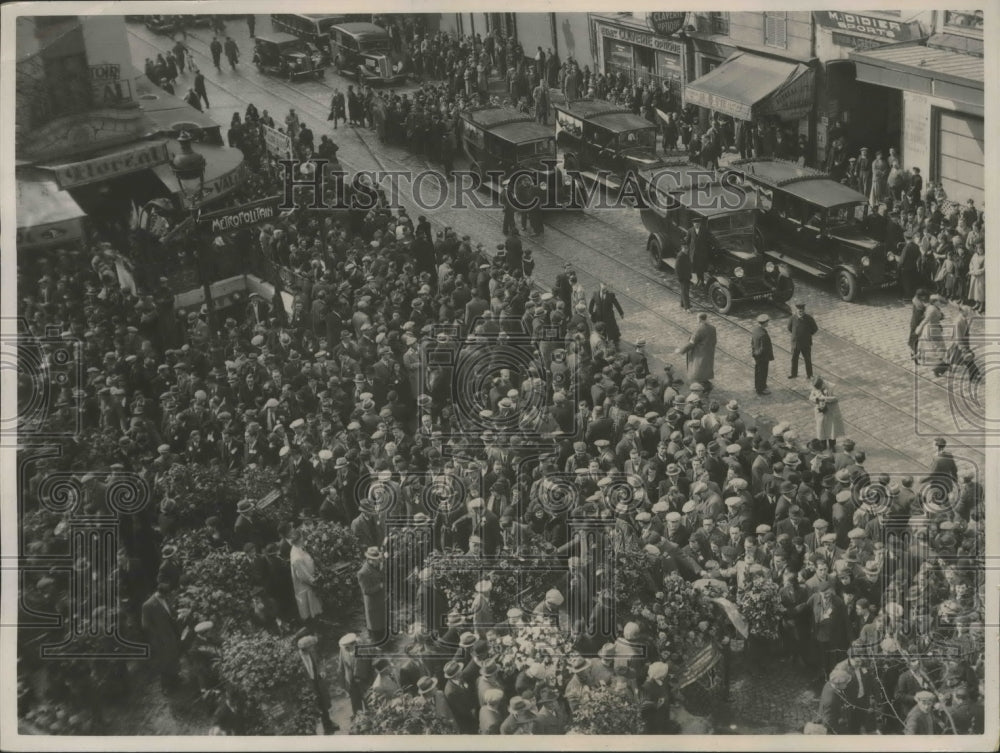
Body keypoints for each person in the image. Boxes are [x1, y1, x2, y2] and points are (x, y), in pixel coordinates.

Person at [140, 582, 183, 691]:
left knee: (173, 656)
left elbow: (170, 612)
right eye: (166, 595)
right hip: (160, 638)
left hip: (171, 633)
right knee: (164, 661)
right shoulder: (148, 605)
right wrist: (158, 636)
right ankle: (166, 686)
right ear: (160, 593)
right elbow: (145, 625)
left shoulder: (166, 598)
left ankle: (175, 679)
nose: (168, 596)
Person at [296, 634, 339, 733]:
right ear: (305, 648)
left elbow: (319, 662)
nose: (313, 648)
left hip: (317, 682)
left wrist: (322, 671)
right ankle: (312, 731)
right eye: (311, 646)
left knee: (323, 704)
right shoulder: (296, 658)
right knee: (312, 708)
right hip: (307, 686)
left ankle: (328, 724)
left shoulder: (312, 652)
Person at [289, 528, 322, 628]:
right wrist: (315, 581)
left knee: (314, 608)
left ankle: (317, 626)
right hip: (305, 587)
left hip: (309, 584)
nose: (304, 539)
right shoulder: (296, 557)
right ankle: (314, 629)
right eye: (302, 537)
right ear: (299, 539)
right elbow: (303, 575)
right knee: (310, 610)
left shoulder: (298, 548)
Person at [677, 312, 716, 391]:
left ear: (699, 319)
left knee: (698, 369)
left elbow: (692, 343)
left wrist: (681, 350)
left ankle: (702, 386)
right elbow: (714, 341)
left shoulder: (698, 330)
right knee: (705, 368)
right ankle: (706, 382)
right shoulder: (712, 328)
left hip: (699, 353)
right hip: (709, 352)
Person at [357, 546, 388, 641]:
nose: (378, 561)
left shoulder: (376, 566)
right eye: (376, 560)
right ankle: (376, 641)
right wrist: (379, 586)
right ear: (369, 560)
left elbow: (381, 575)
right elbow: (366, 591)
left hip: (380, 598)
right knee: (375, 622)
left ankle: (383, 637)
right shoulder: (363, 573)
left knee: (381, 619)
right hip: (373, 602)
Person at [809, 376, 844, 451]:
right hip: (820, 411)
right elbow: (811, 397)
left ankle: (832, 446)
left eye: (820, 387)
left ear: (823, 383)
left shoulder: (832, 386)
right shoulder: (815, 387)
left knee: (831, 429)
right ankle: (823, 445)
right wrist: (816, 398)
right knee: (821, 428)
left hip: (831, 411)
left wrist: (825, 398)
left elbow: (836, 397)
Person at [588, 282, 625, 348]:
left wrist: (621, 313)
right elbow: (591, 303)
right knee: (601, 328)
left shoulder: (611, 295)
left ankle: (615, 339)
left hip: (609, 316)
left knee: (612, 328)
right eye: (603, 289)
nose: (604, 291)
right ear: (600, 287)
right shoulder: (595, 294)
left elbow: (616, 304)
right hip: (599, 316)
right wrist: (591, 312)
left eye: (605, 289)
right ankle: (603, 340)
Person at [787, 302, 818, 379]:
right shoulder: (792, 318)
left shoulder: (809, 319)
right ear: (796, 310)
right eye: (799, 311)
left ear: (804, 310)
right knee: (794, 359)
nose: (801, 312)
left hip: (806, 344)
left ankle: (809, 375)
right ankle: (794, 374)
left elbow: (815, 329)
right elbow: (789, 328)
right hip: (795, 344)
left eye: (802, 310)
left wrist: (807, 335)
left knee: (807, 359)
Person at [751, 314, 774, 395]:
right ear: (764, 323)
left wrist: (754, 353)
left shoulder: (755, 330)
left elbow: (752, 343)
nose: (768, 323)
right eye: (767, 322)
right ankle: (761, 389)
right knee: (763, 373)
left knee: (757, 372)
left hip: (756, 356)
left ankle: (757, 386)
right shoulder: (763, 335)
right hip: (763, 358)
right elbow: (763, 349)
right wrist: (759, 355)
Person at [675, 242, 692, 311]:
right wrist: (680, 278)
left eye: (687, 248)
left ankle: (683, 304)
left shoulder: (685, 255)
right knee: (685, 292)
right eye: (685, 248)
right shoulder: (680, 256)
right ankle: (687, 307)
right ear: (682, 248)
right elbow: (677, 268)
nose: (686, 250)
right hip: (683, 277)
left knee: (684, 291)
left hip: (687, 276)